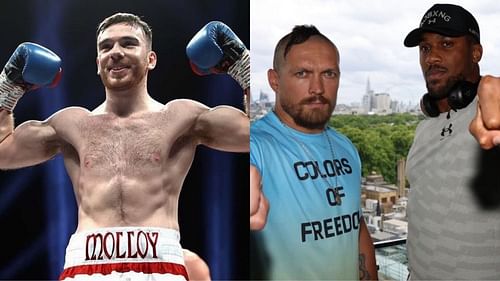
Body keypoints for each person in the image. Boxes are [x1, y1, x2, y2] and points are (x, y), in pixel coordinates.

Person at [0, 13, 249, 280]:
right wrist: (8, 88)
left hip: (160, 264)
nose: (115, 52)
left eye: (128, 44)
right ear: (98, 63)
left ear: (150, 59)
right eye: (106, 47)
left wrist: (242, 66)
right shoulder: (70, 124)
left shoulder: (182, 118)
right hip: (85, 265)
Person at [250, 25, 377, 280]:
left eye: (329, 73)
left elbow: (355, 225)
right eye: (303, 73)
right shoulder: (256, 144)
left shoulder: (347, 148)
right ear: (274, 80)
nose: (317, 88)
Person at [404, 3, 500, 280]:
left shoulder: (488, 118)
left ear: (475, 52)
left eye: (446, 44)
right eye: (425, 48)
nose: (431, 57)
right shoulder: (423, 129)